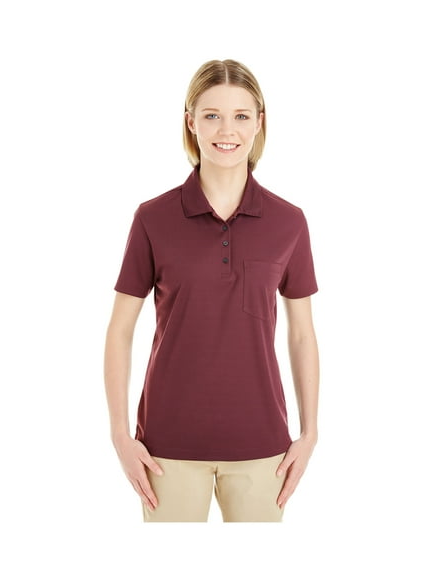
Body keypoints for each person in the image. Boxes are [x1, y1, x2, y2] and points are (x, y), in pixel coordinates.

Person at [104, 59, 319, 522]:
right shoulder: (152, 218)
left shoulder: (289, 222)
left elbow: (302, 333)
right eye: (212, 115)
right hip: (166, 448)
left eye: (241, 115)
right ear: (191, 122)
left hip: (263, 447)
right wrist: (120, 435)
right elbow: (120, 330)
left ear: (259, 122)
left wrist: (310, 433)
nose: (227, 130)